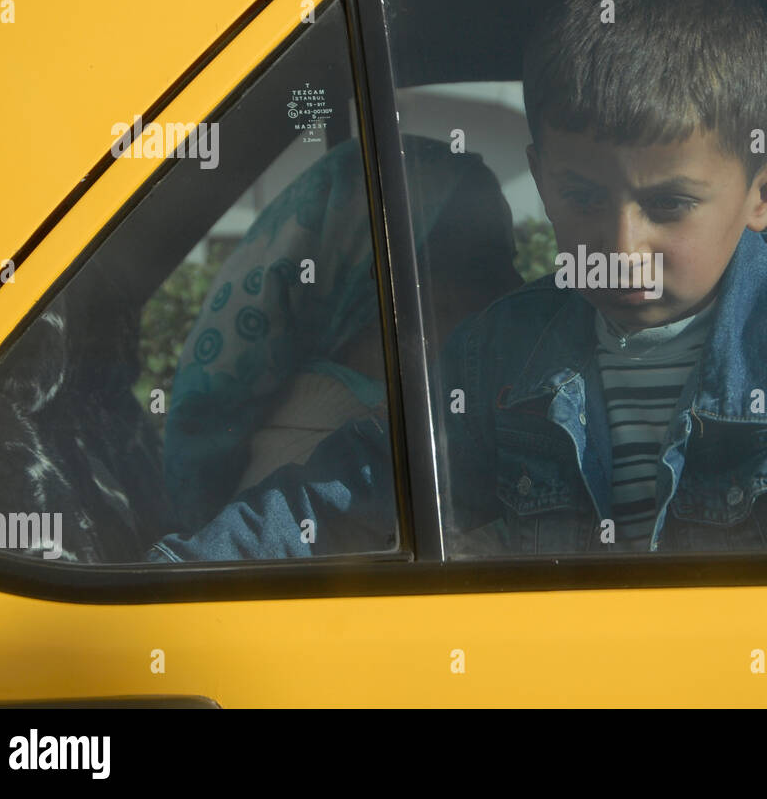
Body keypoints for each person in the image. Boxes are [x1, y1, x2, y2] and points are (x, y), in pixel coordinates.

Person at [439, 0, 767, 555]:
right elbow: (356, 500)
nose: (622, 251)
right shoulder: (494, 351)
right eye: (583, 197)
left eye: (669, 204)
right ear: (541, 178)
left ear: (765, 193)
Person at [147, 135, 522, 561]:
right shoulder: (349, 472)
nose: (516, 288)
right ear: (384, 288)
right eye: (484, 268)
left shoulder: (336, 434)